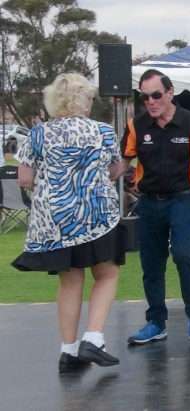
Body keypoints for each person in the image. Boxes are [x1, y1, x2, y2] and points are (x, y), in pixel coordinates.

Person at [11, 73, 125, 373]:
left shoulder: (38, 134)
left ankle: (69, 351)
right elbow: (116, 169)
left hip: (56, 223)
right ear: (83, 100)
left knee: (70, 280)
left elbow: (24, 177)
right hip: (96, 216)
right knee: (107, 273)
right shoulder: (103, 131)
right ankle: (94, 337)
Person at [123, 69, 190, 345]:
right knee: (151, 263)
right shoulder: (136, 126)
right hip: (150, 201)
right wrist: (101, 173)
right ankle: (155, 322)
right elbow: (122, 162)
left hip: (184, 198)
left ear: (169, 93)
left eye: (156, 95)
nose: (150, 102)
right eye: (145, 97)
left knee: (181, 254)